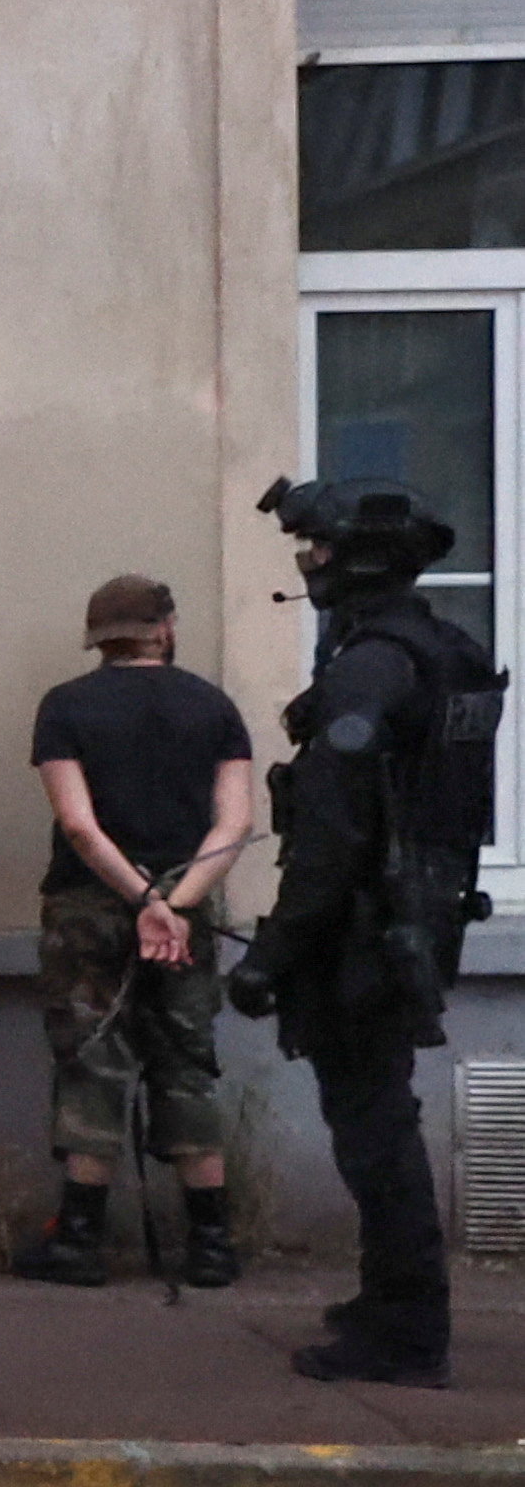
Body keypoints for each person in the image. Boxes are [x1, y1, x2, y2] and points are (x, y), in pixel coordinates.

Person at [228, 477, 503, 1386]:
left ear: (358, 557)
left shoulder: (371, 665)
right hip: (414, 917)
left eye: (318, 547)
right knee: (380, 1119)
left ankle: (406, 1331)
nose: (307, 561)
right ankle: (389, 1300)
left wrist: (271, 955)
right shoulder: (441, 649)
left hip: (366, 931)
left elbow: (338, 833)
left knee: (375, 1129)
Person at [12, 571, 257, 1290]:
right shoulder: (213, 705)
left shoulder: (65, 707)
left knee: (93, 1059)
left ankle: (80, 1241)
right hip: (186, 905)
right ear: (165, 628)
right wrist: (176, 905)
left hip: (88, 908)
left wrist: (139, 898)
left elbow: (80, 827)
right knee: (186, 1060)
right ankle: (211, 1243)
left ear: (97, 639)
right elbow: (235, 823)